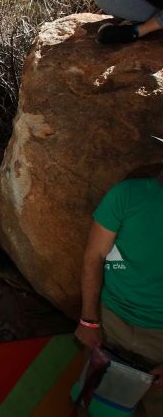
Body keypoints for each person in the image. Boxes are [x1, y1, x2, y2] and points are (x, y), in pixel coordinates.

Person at [73, 137, 163, 415]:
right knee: (97, 399)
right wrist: (89, 320)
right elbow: (94, 257)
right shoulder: (128, 195)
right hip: (112, 321)